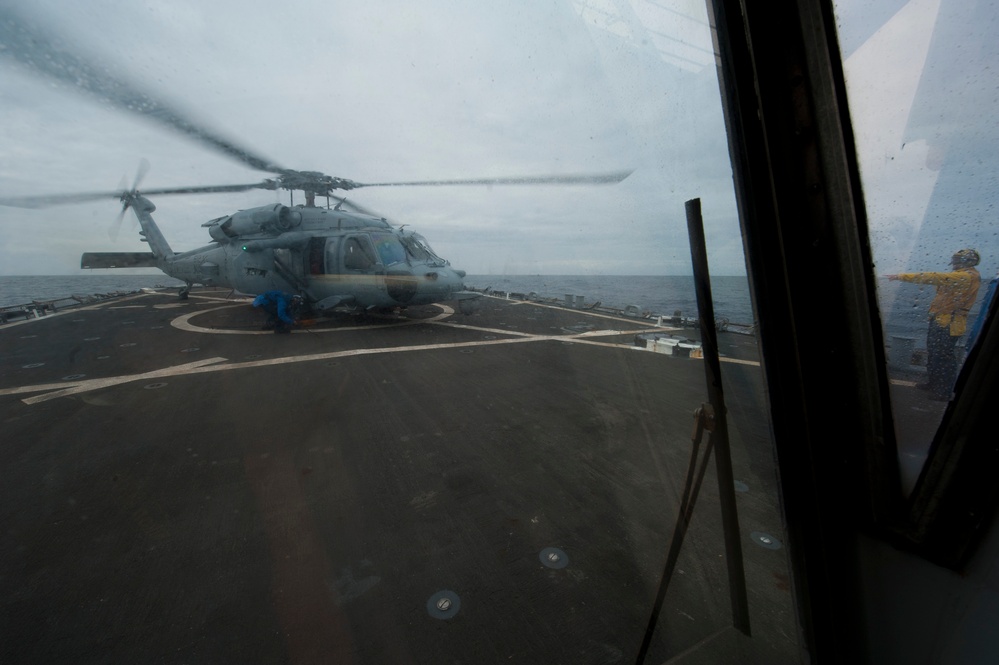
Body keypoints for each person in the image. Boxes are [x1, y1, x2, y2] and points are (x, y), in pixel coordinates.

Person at [887, 249, 982, 399]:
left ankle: (943, 391)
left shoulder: (965, 276)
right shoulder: (965, 276)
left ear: (966, 262)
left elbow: (934, 277)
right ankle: (933, 384)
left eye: (957, 261)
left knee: (943, 356)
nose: (954, 264)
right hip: (941, 320)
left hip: (949, 323)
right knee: (935, 354)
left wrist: (900, 276)